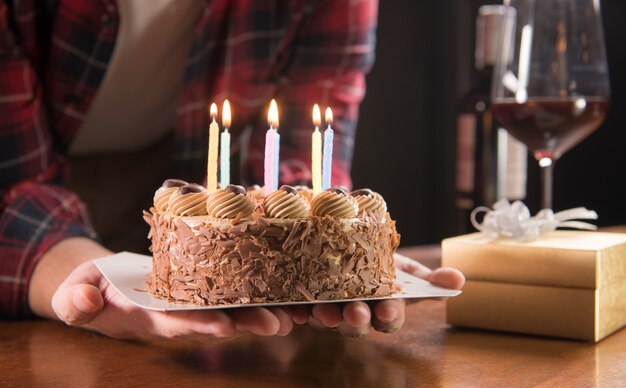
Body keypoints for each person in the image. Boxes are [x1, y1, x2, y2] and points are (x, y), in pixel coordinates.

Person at [0, 0, 464, 340]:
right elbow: (11, 178)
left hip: (194, 202)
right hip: (38, 204)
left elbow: (306, 163)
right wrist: (76, 267)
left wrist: (328, 260)